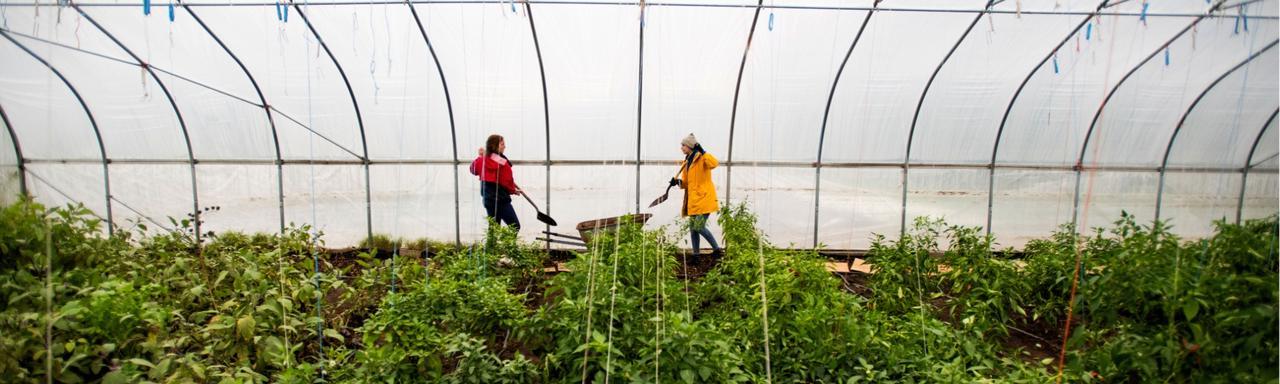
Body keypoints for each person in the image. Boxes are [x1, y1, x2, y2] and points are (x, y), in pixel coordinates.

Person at [670, 133, 721, 263]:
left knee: (698, 226)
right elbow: (687, 183)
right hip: (693, 200)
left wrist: (703, 152)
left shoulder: (701, 158)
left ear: (690, 146)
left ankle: (717, 250)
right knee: (693, 229)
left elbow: (714, 164)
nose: (681, 147)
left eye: (683, 145)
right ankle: (696, 256)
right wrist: (678, 182)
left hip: (704, 198)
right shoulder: (687, 161)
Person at [471, 134, 522, 231]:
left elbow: (473, 170)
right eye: (502, 144)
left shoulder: (482, 160)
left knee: (494, 229)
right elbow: (507, 181)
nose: (505, 147)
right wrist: (513, 190)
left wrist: (480, 156)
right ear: (495, 146)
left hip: (488, 200)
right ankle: (507, 246)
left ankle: (491, 246)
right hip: (501, 200)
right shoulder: (502, 162)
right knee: (515, 227)